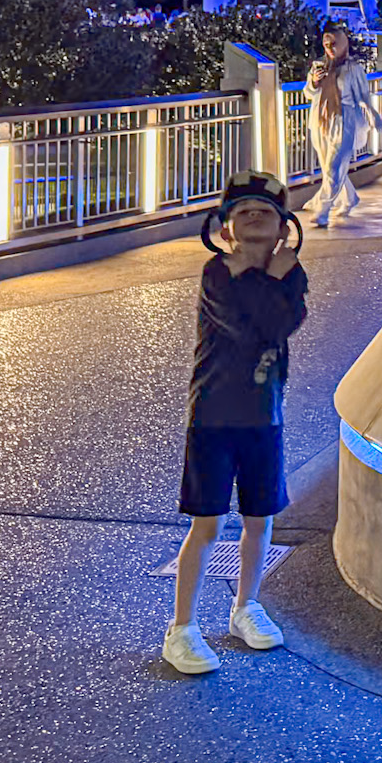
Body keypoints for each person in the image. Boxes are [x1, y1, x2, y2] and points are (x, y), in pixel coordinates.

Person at [162, 171, 307, 676]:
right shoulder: (216, 273)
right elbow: (251, 326)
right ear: (224, 227)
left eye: (264, 211)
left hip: (264, 415)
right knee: (207, 522)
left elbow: (283, 325)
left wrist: (273, 278)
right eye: (241, 211)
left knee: (260, 518)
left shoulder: (292, 272)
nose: (253, 217)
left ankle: (246, 605)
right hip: (214, 415)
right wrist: (268, 277)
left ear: (283, 227)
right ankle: (182, 627)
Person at [307, 24, 380, 227]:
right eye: (326, 44)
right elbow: (309, 92)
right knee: (328, 167)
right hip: (320, 119)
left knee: (334, 167)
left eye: (334, 44)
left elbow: (363, 94)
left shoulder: (352, 68)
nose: (330, 48)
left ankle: (321, 209)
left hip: (344, 119)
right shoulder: (319, 66)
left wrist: (373, 115)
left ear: (343, 44)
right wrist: (314, 82)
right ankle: (349, 198)